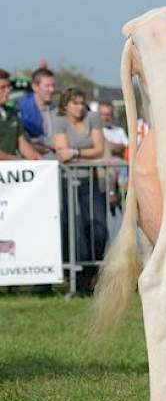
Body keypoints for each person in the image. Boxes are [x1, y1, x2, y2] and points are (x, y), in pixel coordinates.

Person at [52, 88, 106, 292]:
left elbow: (99, 149)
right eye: (75, 103)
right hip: (68, 181)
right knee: (75, 230)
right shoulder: (59, 122)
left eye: (82, 103)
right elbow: (60, 151)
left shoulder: (93, 118)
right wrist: (86, 154)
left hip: (91, 180)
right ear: (65, 105)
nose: (80, 107)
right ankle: (79, 280)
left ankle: (94, 274)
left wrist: (75, 152)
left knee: (99, 229)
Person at [16, 67, 58, 158]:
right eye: (47, 86)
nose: (52, 90)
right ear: (35, 87)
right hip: (33, 165)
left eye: (53, 86)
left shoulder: (57, 111)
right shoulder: (20, 111)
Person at [0, 70, 41, 160]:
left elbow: (21, 142)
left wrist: (37, 159)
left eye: (8, 87)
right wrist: (16, 159)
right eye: (2, 87)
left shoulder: (13, 112)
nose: (7, 91)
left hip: (11, 172)